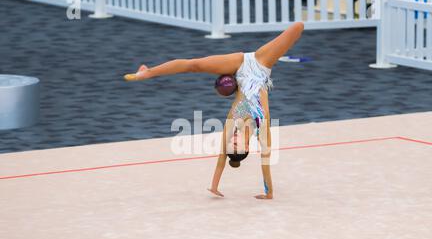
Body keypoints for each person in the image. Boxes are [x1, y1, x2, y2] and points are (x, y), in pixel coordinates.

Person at [124, 22, 305, 200]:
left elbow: (221, 160)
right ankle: (148, 72)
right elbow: (266, 161)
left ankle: (147, 73)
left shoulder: (232, 123)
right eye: (236, 145)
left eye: (230, 144)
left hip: (238, 64)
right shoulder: (262, 128)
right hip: (260, 63)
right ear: (247, 147)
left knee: (194, 65)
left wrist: (214, 186)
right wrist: (269, 192)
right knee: (298, 27)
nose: (232, 141)